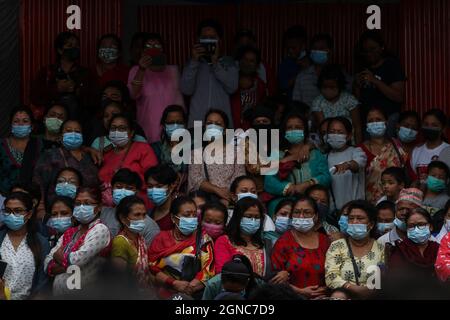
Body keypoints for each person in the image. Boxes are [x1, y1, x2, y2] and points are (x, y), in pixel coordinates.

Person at [44, 187, 111, 297]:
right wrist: (60, 260)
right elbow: (47, 263)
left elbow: (77, 260)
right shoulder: (71, 232)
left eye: (87, 203)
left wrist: (58, 258)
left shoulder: (100, 229)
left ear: (98, 207)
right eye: (78, 203)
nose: (81, 207)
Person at [264, 111, 331, 215]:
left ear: (305, 130)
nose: (293, 130)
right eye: (289, 127)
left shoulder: (316, 153)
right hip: (282, 205)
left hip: (312, 204)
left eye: (298, 127)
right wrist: (291, 188)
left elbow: (326, 177)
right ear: (284, 131)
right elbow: (269, 182)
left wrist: (307, 184)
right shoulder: (276, 153)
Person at [148, 196, 214, 299]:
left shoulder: (203, 239)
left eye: (194, 215)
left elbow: (208, 269)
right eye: (187, 215)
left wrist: (188, 288)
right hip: (161, 293)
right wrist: (174, 283)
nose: (192, 218)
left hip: (191, 294)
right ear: (173, 218)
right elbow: (151, 267)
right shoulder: (161, 238)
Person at [181, 19, 238, 127]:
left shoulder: (228, 62)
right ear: (198, 40)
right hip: (197, 124)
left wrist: (215, 63)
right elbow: (186, 90)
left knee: (224, 145)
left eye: (212, 38)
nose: (208, 41)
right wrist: (194, 62)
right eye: (204, 38)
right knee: (196, 144)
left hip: (222, 123)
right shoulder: (192, 63)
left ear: (219, 40)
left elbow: (232, 87)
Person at [128, 33, 184, 143]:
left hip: (174, 128)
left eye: (157, 46)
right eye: (148, 46)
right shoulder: (136, 70)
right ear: (142, 51)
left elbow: (180, 99)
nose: (153, 49)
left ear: (163, 49)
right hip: (148, 130)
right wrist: (142, 69)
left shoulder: (174, 70)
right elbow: (133, 94)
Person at [271, 196, 331, 299]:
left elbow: (337, 271)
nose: (301, 216)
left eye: (307, 212)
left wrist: (325, 290)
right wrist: (300, 292)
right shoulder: (284, 242)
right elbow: (275, 279)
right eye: (297, 212)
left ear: (315, 216)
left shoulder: (326, 241)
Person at [30, 32, 97, 121]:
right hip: (51, 122)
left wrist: (77, 90)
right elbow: (35, 97)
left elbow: (94, 101)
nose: (74, 48)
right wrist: (57, 89)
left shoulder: (86, 73)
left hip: (78, 123)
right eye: (69, 45)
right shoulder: (47, 72)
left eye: (77, 46)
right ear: (60, 50)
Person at [325, 200, 385, 299]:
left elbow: (383, 276)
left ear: (371, 224)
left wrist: (368, 290)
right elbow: (331, 276)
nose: (354, 222)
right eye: (351, 218)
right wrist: (352, 288)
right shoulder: (337, 246)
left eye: (360, 218)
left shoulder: (380, 248)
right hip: (344, 294)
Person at [32, 119, 99, 205]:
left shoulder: (90, 157)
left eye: (77, 131)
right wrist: (41, 206)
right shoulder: (51, 155)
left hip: (85, 208)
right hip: (56, 207)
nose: (73, 134)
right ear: (60, 136)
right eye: (68, 131)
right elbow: (39, 182)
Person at [98, 113, 158, 207]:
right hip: (110, 208)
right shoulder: (106, 154)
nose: (117, 131)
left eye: (122, 128)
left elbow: (153, 178)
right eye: (113, 128)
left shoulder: (142, 149)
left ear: (131, 132)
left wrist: (128, 186)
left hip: (138, 205)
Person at [354, 30, 406, 137]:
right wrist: (357, 85)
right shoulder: (362, 67)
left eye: (373, 49)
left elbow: (398, 96)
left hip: (389, 118)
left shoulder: (391, 64)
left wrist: (374, 80)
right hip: (368, 120)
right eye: (365, 51)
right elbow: (357, 101)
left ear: (382, 47)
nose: (369, 53)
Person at [188, 109, 246, 206]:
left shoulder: (236, 153)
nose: (213, 126)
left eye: (218, 124)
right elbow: (196, 179)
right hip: (203, 203)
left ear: (224, 131)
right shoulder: (196, 153)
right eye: (209, 123)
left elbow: (239, 179)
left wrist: (227, 199)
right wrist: (217, 190)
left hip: (229, 202)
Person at [214, 197, 280, 279]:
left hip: (264, 289)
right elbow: (222, 272)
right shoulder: (224, 241)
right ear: (238, 217)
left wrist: (283, 273)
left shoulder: (266, 242)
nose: (253, 221)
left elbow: (277, 268)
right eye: (248, 216)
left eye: (257, 217)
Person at [0, 192, 50, 300]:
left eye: (18, 211)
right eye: (8, 211)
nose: (12, 215)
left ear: (29, 214)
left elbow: (42, 283)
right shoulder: (1, 238)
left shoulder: (41, 243)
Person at [358, 107, 410, 204]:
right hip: (370, 204)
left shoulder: (397, 146)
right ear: (366, 125)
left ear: (386, 122)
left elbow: (408, 172)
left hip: (397, 203)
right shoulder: (359, 150)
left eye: (378, 120)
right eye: (370, 121)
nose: (375, 123)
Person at [100, 168, 160, 245]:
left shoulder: (150, 226)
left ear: (137, 192)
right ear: (112, 190)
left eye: (129, 188)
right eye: (119, 187)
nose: (123, 191)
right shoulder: (102, 214)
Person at [293, 33, 352, 108]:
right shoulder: (302, 77)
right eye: (314, 48)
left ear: (330, 51)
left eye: (321, 48)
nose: (317, 51)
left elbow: (349, 102)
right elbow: (296, 104)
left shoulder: (343, 76)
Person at [386, 208, 440, 283]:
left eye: (421, 224)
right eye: (411, 226)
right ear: (407, 229)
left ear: (430, 227)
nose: (416, 229)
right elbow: (394, 280)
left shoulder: (438, 249)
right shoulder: (401, 250)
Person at [312, 65, 363, 143]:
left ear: (340, 86)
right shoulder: (317, 102)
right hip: (329, 142)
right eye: (325, 87)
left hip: (349, 143)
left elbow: (357, 127)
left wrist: (359, 147)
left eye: (332, 87)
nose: (328, 91)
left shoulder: (349, 100)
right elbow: (323, 128)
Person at [326, 117, 367, 211]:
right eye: (332, 131)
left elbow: (359, 163)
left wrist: (347, 165)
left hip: (355, 209)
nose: (335, 135)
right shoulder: (325, 156)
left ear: (348, 136)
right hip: (333, 211)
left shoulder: (356, 152)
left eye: (340, 132)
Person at [0, 106, 43, 196]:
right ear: (11, 125)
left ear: (32, 126)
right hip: (4, 198)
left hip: (32, 198)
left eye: (25, 121)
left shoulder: (39, 145)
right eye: (16, 121)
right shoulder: (1, 145)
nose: (20, 124)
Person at [111, 195, 151, 289]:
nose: (142, 219)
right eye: (137, 215)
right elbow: (119, 278)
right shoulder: (120, 242)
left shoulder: (140, 239)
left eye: (144, 215)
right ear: (123, 218)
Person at [150, 105, 189, 194]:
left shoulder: (192, 148)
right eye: (171, 123)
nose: (175, 125)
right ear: (164, 125)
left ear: (185, 125)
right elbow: (154, 174)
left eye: (179, 122)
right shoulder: (156, 149)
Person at [231, 46, 269, 130]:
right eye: (245, 59)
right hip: (231, 130)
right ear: (239, 61)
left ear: (257, 65)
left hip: (253, 133)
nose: (247, 63)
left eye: (251, 61)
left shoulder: (260, 85)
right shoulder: (230, 82)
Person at [411, 109, 449, 184]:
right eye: (426, 124)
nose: (429, 128)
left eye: (434, 125)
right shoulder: (416, 151)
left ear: (443, 129)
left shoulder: (448, 150)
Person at [233, 29, 276, 95]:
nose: (245, 47)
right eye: (241, 44)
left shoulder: (264, 67)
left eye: (248, 43)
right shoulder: (230, 66)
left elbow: (271, 91)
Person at [278, 25, 309, 99]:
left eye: (293, 48)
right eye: (288, 48)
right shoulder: (285, 64)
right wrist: (302, 70)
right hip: (292, 106)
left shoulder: (312, 61)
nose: (290, 51)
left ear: (303, 46)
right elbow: (283, 86)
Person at [146, 164, 179, 231]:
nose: (154, 190)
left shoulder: (178, 215)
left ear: (171, 186)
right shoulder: (147, 214)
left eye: (159, 186)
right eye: (150, 186)